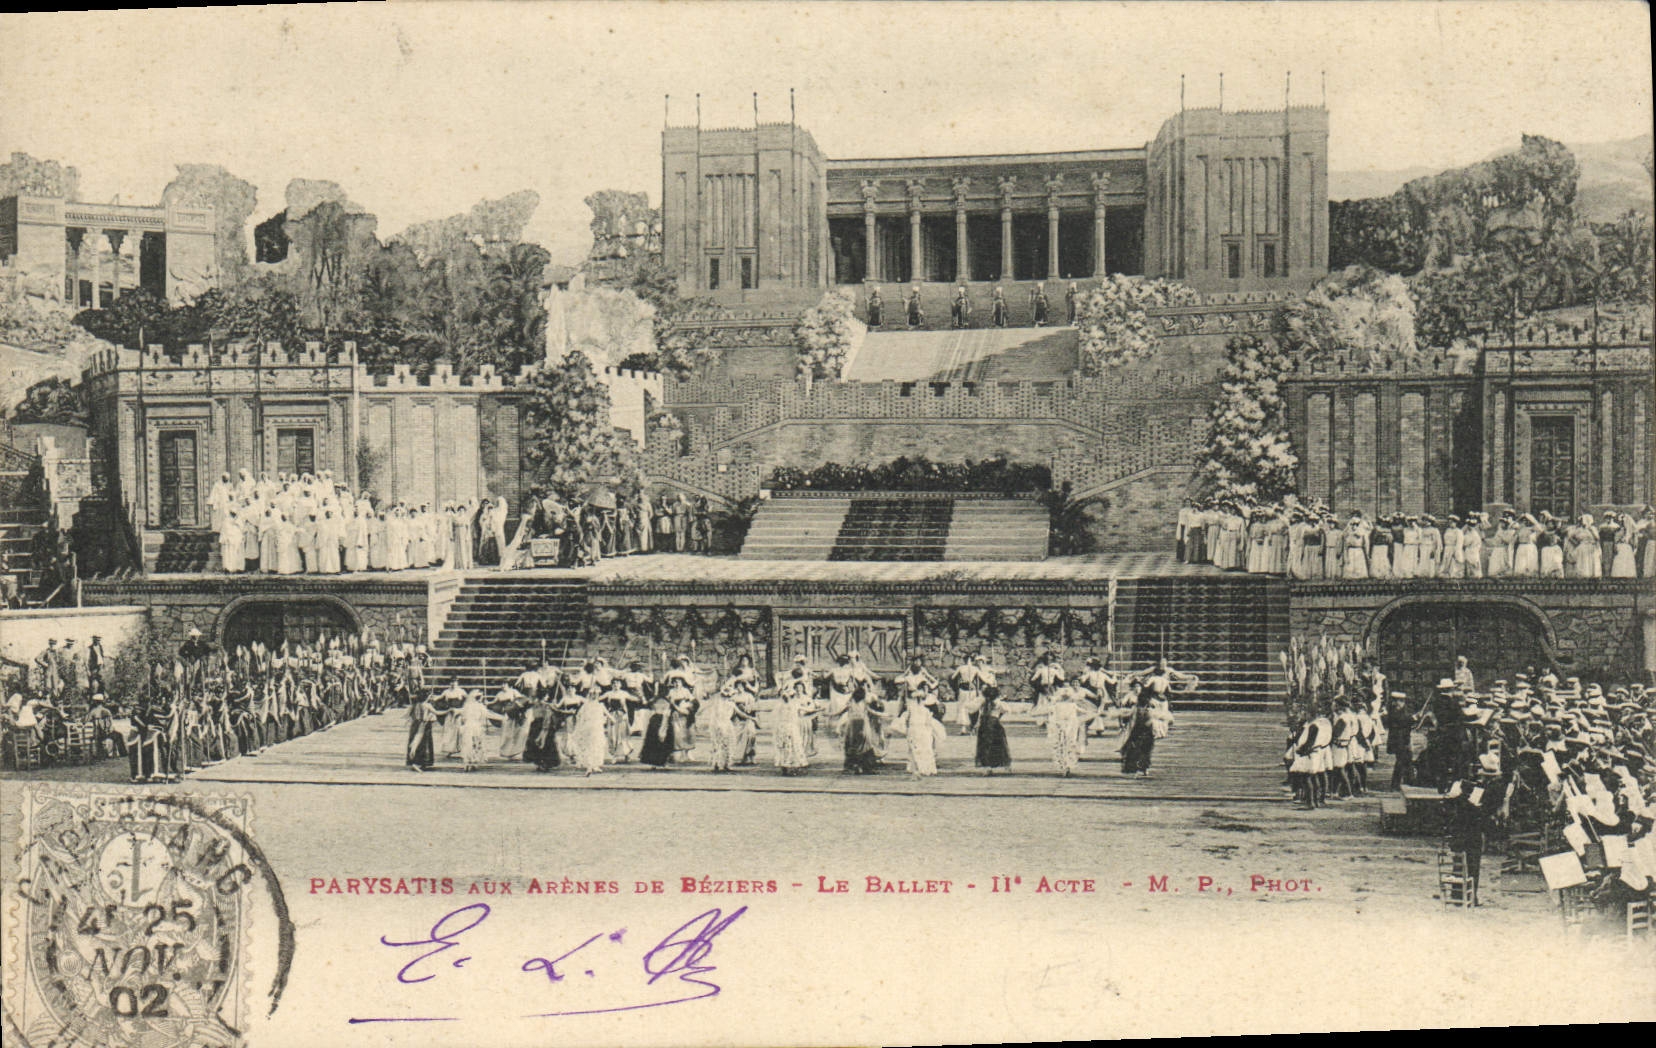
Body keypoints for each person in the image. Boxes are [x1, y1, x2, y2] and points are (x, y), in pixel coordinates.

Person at [840, 683, 883, 775]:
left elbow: (840, 711)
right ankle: (863, 767)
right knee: (863, 747)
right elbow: (872, 712)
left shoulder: (856, 703)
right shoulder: (854, 703)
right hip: (858, 726)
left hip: (855, 726)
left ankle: (856, 767)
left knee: (855, 747)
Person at [1119, 689, 1157, 778]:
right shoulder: (1139, 709)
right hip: (1141, 731)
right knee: (1141, 751)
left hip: (1142, 731)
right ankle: (1141, 769)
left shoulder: (1147, 709)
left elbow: (1151, 720)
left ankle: (1141, 769)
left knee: (1141, 751)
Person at [974, 689, 1012, 774]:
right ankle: (1006, 766)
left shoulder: (983, 703)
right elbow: (1007, 710)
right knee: (999, 745)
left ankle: (987, 767)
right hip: (995, 725)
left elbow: (978, 713)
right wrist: (999, 716)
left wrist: (977, 724)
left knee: (985, 746)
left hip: (984, 726)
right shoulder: (999, 703)